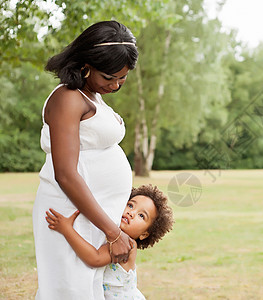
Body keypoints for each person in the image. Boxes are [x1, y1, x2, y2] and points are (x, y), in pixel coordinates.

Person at [33, 20, 139, 299]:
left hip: (94, 214)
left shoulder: (92, 94)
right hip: (70, 211)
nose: (116, 85)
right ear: (86, 64)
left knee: (89, 290)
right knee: (69, 290)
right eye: (109, 77)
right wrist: (112, 232)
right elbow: (65, 173)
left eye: (122, 78)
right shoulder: (67, 98)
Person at [45, 184, 174, 300]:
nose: (131, 213)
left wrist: (67, 230)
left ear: (144, 234)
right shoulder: (113, 237)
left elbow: (95, 258)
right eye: (130, 205)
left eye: (141, 216)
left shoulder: (128, 245)